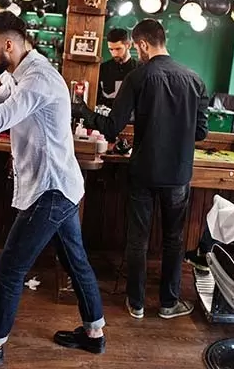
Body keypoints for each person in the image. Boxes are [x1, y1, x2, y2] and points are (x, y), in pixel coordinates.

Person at [0, 10, 105, 367]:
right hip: (60, 185)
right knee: (75, 261)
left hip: (50, 189)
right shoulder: (21, 74)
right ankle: (95, 334)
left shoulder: (38, 78)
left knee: (11, 268)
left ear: (9, 45)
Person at [72, 19, 209, 320]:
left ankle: (136, 303)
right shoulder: (195, 80)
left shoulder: (138, 76)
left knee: (138, 238)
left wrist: (83, 111)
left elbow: (112, 127)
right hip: (178, 173)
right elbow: (201, 132)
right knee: (174, 239)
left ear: (144, 44)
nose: (137, 52)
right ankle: (169, 304)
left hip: (145, 170)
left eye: (136, 47)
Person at [97, 28, 138, 109]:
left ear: (128, 45)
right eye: (111, 49)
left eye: (118, 49)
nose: (114, 54)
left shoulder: (139, 69)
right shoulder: (103, 68)